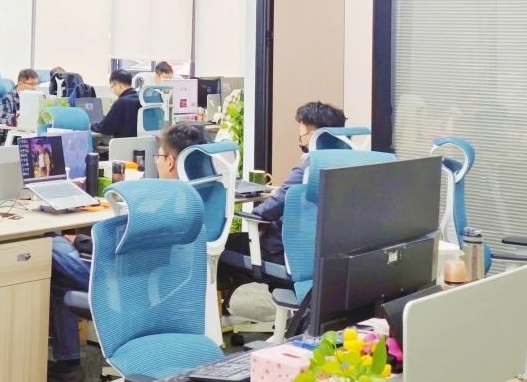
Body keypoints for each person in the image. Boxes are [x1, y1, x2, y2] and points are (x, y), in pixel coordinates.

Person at [47, 123, 207, 381]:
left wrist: (78, 240)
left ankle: (68, 363)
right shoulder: (199, 194)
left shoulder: (166, 201)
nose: (156, 161)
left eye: (159, 155)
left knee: (50, 246)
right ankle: (68, 363)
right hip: (169, 284)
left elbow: (118, 247)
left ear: (171, 162)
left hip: (130, 282)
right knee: (60, 276)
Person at [224, 101, 347, 268]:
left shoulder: (309, 167)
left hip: (284, 250)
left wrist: (254, 214)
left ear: (314, 135)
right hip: (323, 251)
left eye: (302, 132)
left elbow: (269, 210)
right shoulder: (345, 164)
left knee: (225, 246)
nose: (300, 137)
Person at [91, 70, 140, 138]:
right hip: (141, 142)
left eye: (112, 87)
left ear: (118, 85)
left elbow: (105, 128)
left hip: (123, 143)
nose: (113, 90)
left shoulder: (121, 102)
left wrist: (91, 125)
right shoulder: (141, 98)